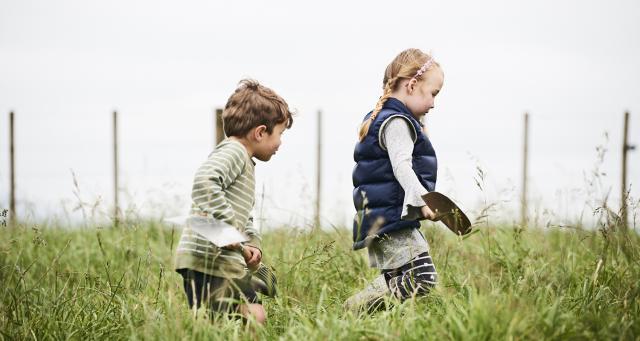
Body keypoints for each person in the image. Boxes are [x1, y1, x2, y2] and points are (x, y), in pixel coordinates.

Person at [174, 79, 293, 324]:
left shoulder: (244, 161)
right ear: (260, 132)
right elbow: (204, 181)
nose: (280, 142)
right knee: (254, 316)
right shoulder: (234, 152)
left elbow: (243, 216)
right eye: (280, 133)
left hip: (213, 260)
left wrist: (252, 244)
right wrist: (227, 231)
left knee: (217, 323)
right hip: (211, 259)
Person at [349, 48, 444, 309]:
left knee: (401, 279)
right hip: (391, 219)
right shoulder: (397, 122)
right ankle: (356, 307)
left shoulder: (380, 118)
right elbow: (402, 166)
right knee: (422, 278)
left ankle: (365, 319)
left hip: (383, 217)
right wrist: (421, 200)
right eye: (433, 93)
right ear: (412, 85)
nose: (434, 103)